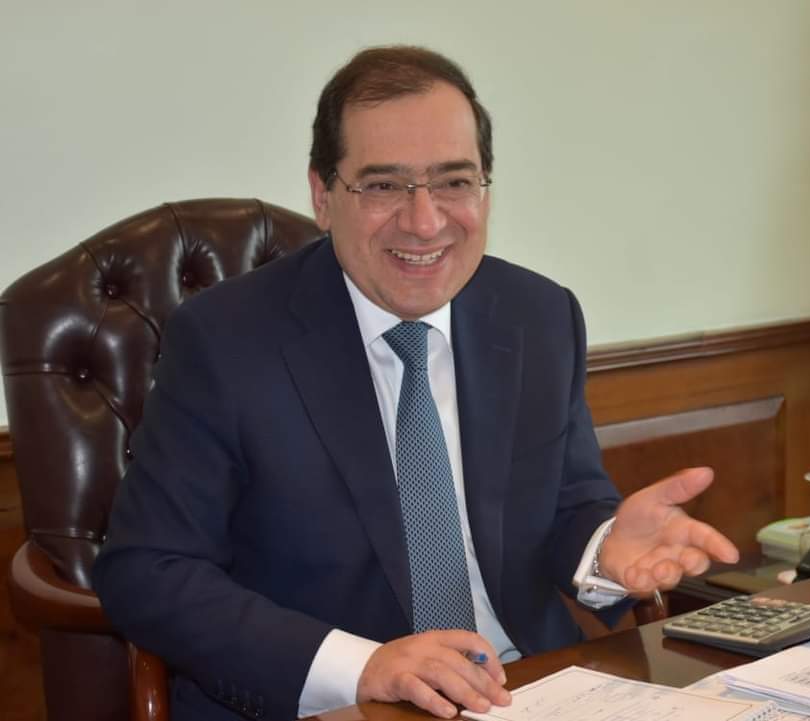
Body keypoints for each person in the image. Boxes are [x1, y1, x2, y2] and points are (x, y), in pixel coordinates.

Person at [93, 45, 739, 721]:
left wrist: (602, 551)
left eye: (454, 182)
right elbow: (147, 569)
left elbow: (564, 504)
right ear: (322, 196)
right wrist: (362, 666)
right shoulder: (225, 341)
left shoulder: (538, 315)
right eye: (383, 186)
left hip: (530, 688)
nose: (425, 221)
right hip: (338, 704)